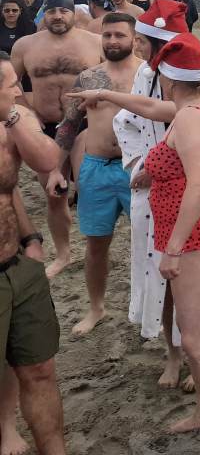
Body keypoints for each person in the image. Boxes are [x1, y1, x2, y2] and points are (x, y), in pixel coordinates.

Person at [77, 33, 200, 454]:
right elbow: (148, 108)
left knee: (199, 342)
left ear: (169, 79)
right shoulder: (199, 106)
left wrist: (174, 248)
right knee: (194, 336)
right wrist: (104, 95)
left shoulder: (191, 119)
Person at [111, 0, 200, 391]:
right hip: (153, 191)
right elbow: (132, 119)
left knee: (198, 283)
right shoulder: (144, 74)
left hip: (199, 197)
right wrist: (141, 164)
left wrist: (169, 165)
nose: (136, 47)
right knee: (159, 278)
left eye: (142, 41)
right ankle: (173, 353)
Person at [45, 13, 141, 335]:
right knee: (96, 245)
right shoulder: (89, 78)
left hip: (138, 169)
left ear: (134, 39)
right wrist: (56, 169)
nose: (112, 41)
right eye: (107, 35)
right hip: (96, 168)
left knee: (152, 244)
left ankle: (152, 307)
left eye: (120, 35)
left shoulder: (148, 75)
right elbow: (69, 126)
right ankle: (96, 307)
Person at [10, 0, 102, 277]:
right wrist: (28, 113)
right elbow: (10, 83)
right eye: (52, 12)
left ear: (74, 13)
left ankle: (95, 250)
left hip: (85, 124)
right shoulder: (26, 45)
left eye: (63, 11)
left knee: (87, 187)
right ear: (44, 14)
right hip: (46, 127)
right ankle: (63, 254)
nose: (58, 16)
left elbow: (118, 77)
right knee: (54, 194)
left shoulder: (94, 42)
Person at [0, 53, 65, 454]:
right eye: (10, 84)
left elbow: (44, 161)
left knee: (40, 369)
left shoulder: (11, 123)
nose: (18, 90)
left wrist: (31, 239)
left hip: (18, 267)